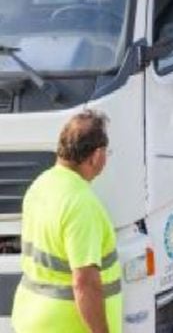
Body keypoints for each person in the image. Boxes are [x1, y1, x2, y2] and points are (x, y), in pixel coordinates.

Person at [12, 110, 122, 333]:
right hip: (66, 325)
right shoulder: (81, 204)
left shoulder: (40, 185)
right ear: (96, 155)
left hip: (29, 318)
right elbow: (85, 283)